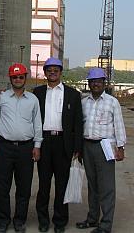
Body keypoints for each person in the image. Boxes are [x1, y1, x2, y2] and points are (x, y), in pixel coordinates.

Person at [33, 57, 83, 233]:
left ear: (61, 72)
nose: (52, 72)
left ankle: (60, 221)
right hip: (44, 142)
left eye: (56, 69)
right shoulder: (37, 93)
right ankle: (43, 220)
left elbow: (78, 123)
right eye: (49, 69)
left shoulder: (73, 94)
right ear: (45, 72)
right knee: (44, 185)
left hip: (64, 144)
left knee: (62, 184)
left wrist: (77, 148)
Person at [0, 63, 43, 233]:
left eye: (21, 76)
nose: (18, 79)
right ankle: (3, 220)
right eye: (15, 77)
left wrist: (37, 145)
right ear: (10, 78)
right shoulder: (1, 98)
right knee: (2, 187)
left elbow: (37, 124)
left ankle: (19, 220)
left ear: (25, 78)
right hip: (5, 147)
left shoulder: (33, 100)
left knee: (24, 188)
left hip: (25, 148)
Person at [76, 68, 126, 233]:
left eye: (99, 81)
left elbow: (118, 125)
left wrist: (121, 147)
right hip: (87, 146)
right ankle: (92, 219)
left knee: (106, 187)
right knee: (92, 185)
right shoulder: (84, 102)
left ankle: (105, 225)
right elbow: (80, 125)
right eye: (93, 81)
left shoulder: (112, 102)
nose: (96, 84)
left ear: (104, 83)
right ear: (89, 83)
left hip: (105, 147)